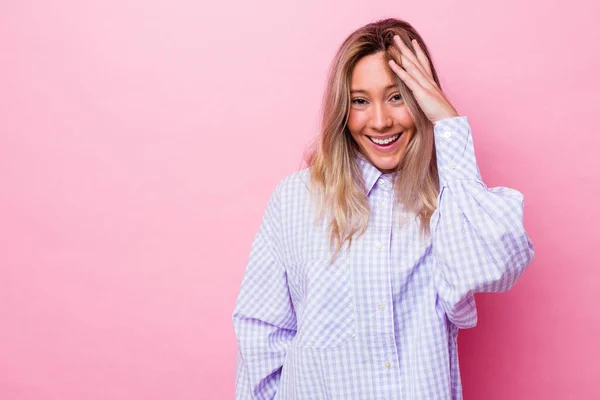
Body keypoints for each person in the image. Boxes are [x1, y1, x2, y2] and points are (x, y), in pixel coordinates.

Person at [231, 17, 534, 400]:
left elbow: (493, 267)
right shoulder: (296, 199)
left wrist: (448, 123)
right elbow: (262, 334)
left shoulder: (449, 200)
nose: (379, 121)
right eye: (360, 101)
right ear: (343, 109)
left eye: (397, 97)